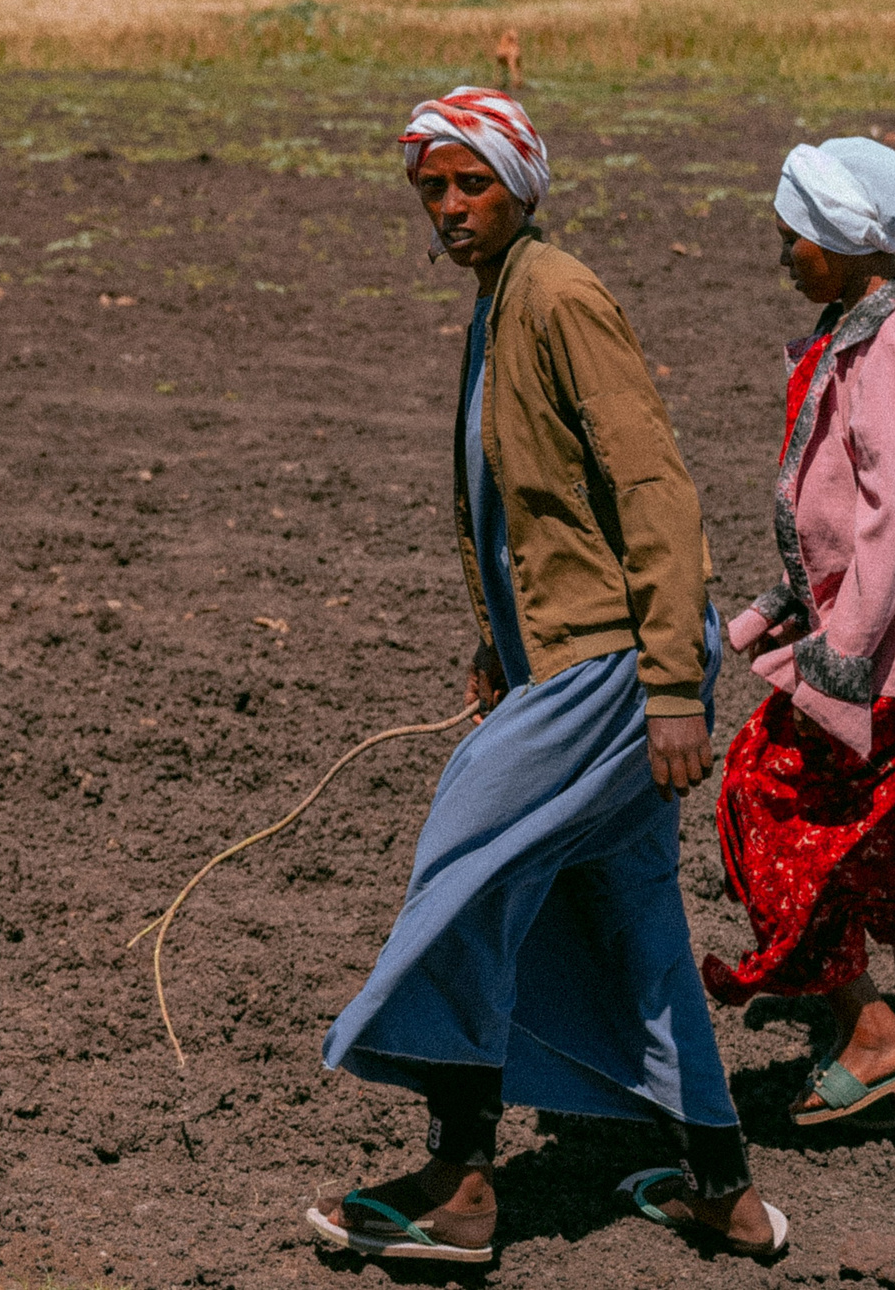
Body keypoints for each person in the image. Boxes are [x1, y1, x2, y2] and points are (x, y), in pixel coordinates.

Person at [309, 87, 787, 1266]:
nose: (450, 205)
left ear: (522, 183)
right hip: (561, 664)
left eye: (470, 183)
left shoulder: (559, 294)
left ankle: (462, 1182)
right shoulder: (497, 302)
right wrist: (495, 645)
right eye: (432, 187)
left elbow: (652, 488)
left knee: (463, 875)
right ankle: (723, 1187)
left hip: (614, 669)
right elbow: (515, 506)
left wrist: (675, 681)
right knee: (630, 921)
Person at [703, 137, 895, 1145]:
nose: (783, 252)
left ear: (840, 242)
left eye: (794, 233)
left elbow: (893, 521)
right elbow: (830, 537)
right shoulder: (859, 334)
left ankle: (869, 1029)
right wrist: (750, 625)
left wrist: (836, 659)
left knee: (759, 791)